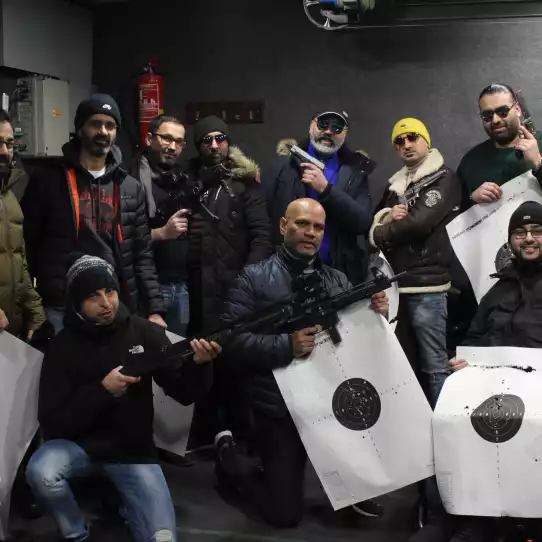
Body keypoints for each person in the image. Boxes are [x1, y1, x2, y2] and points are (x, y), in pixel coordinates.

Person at [216, 198, 389, 527]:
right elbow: (230, 343)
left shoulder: (337, 280)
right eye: (302, 224)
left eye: (318, 227)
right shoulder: (253, 279)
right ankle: (229, 458)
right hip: (280, 409)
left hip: (331, 401)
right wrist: (286, 345)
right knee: (284, 516)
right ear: (283, 226)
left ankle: (351, 491)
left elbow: (357, 338)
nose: (310, 232)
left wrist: (377, 314)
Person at [25, 255, 221, 542]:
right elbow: (53, 421)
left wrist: (201, 365)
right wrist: (102, 391)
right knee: (41, 472)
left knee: (163, 539)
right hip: (79, 447)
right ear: (76, 302)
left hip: (133, 453)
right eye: (94, 296)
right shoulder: (62, 347)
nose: (107, 303)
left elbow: (184, 392)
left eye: (111, 291)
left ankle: (122, 499)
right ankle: (75, 533)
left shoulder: (145, 332)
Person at [21, 94, 165, 334]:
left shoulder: (130, 187)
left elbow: (142, 254)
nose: (103, 131)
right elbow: (26, 244)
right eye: (95, 123)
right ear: (80, 129)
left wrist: (155, 309)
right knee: (65, 370)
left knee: (117, 371)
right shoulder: (49, 181)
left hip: (113, 303)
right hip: (62, 305)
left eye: (110, 126)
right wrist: (33, 302)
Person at [448, 201, 542, 542]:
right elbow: (473, 337)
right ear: (511, 241)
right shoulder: (497, 288)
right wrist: (464, 361)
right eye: (520, 233)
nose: (528, 239)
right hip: (493, 388)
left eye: (536, 231)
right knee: (456, 422)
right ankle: (475, 514)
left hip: (539, 394)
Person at [183, 116, 273, 448]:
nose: (214, 145)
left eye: (220, 138)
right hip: (195, 292)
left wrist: (246, 282)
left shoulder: (246, 183)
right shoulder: (190, 183)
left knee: (238, 365)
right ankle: (208, 432)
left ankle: (242, 434)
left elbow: (263, 238)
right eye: (206, 139)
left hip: (237, 290)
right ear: (198, 146)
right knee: (201, 362)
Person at [370, 118, 460, 407]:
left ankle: (446, 435)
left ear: (426, 141)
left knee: (435, 367)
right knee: (401, 369)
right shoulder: (394, 184)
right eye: (400, 140)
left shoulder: (443, 177)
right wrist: (384, 221)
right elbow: (369, 229)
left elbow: (418, 224)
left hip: (428, 287)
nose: (406, 144)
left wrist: (382, 230)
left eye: (412, 137)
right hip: (395, 288)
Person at [262, 110, 375, 285]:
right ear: (311, 126)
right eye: (323, 124)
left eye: (337, 128)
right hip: (286, 276)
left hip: (339, 276)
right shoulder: (282, 169)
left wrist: (326, 190)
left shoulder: (356, 171)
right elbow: (263, 225)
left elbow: (363, 222)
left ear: (345, 134)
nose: (329, 131)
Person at [130, 115, 190, 336]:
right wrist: (161, 233)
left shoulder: (183, 179)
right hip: (146, 289)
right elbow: (123, 236)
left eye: (179, 142)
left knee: (178, 357)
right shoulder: (130, 179)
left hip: (182, 286)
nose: (172, 147)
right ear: (149, 138)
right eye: (166, 138)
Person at [458, 83, 542, 210]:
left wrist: (538, 163)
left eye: (503, 111)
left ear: (518, 109)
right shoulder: (471, 162)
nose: (495, 120)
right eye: (487, 115)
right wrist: (473, 200)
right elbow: (457, 215)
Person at [0, 109, 45, 340]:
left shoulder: (9, 197)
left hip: (11, 326)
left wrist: (34, 309)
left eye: (9, 144)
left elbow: (19, 260)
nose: (4, 152)